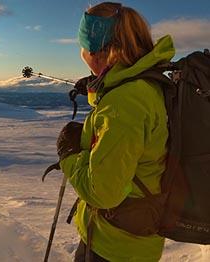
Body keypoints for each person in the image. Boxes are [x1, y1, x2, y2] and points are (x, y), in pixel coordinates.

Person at [59, 2, 175, 261]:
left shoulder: (125, 102)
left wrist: (69, 155)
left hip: (114, 247)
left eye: (83, 47)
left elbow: (104, 193)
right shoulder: (146, 83)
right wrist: (100, 86)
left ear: (98, 52)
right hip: (129, 239)